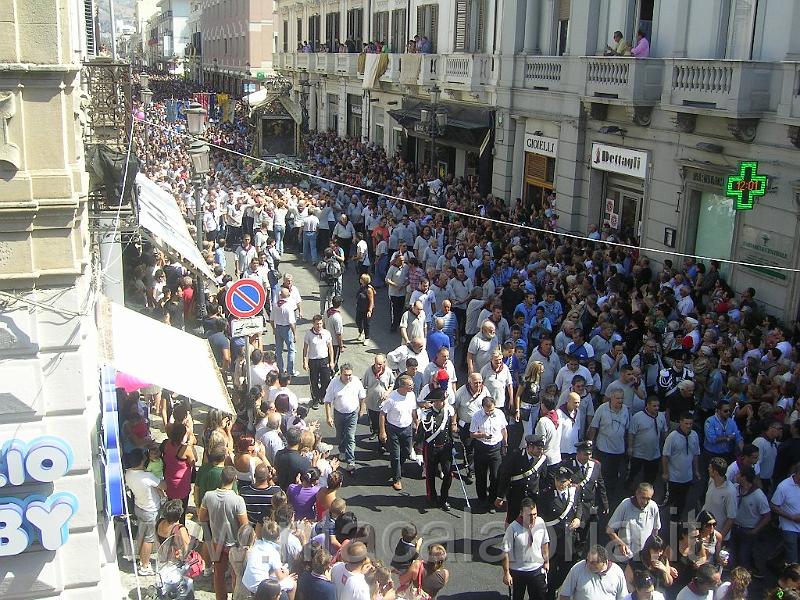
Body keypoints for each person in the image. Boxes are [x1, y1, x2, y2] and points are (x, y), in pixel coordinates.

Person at [198, 466, 249, 600]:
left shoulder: (208, 496)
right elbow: (245, 525)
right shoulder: (238, 500)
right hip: (235, 544)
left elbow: (201, 517)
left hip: (217, 542)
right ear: (235, 479)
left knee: (218, 575)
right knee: (236, 575)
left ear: (221, 478)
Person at [540, 465, 584, 596]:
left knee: (568, 566)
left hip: (569, 538)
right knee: (551, 569)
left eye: (563, 481)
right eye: (558, 480)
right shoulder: (546, 495)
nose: (560, 483)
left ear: (570, 481)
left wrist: (578, 518)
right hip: (553, 538)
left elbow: (579, 504)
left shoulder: (574, 492)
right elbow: (541, 518)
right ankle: (550, 592)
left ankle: (557, 586)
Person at [125, 447, 167, 576]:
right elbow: (163, 486)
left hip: (139, 506)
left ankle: (140, 557)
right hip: (150, 509)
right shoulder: (147, 476)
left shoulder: (128, 473)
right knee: (149, 539)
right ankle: (144, 566)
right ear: (141, 461)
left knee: (141, 534)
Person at [500, 497, 550, 600]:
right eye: (529, 515)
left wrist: (546, 562)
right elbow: (505, 552)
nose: (533, 518)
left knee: (539, 597)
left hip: (536, 570)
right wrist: (506, 574)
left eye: (535, 514)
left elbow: (544, 543)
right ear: (522, 513)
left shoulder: (540, 522)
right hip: (518, 572)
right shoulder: (513, 528)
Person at [416, 388, 457, 510]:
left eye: (443, 400)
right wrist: (418, 451)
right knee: (430, 474)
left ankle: (444, 498)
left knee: (448, 473)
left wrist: (452, 445)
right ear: (435, 402)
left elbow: (449, 431)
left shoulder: (448, 412)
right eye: (441, 401)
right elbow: (420, 434)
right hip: (431, 448)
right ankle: (432, 497)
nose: (443, 403)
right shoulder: (426, 415)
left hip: (445, 448)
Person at [495, 434, 549, 524]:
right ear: (530, 447)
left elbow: (543, 479)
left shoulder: (542, 460)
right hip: (516, 496)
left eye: (542, 448)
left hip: (532, 497)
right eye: (538, 449)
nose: (541, 451)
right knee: (512, 521)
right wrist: (500, 496)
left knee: (531, 522)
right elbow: (505, 476)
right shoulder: (516, 456)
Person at [325, 363, 366, 474]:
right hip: (339, 414)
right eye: (345, 375)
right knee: (340, 435)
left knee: (350, 436)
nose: (348, 377)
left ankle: (350, 462)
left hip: (352, 414)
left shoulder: (356, 381)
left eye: (350, 375)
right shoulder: (334, 383)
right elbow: (328, 401)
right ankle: (342, 450)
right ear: (341, 374)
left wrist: (362, 409)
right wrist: (328, 416)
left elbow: (362, 397)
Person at [730, 466, 770, 577]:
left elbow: (767, 516)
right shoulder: (735, 488)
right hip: (734, 527)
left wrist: (755, 531)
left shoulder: (758, 495)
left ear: (744, 477)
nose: (736, 476)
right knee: (732, 554)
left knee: (744, 556)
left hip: (748, 530)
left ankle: (744, 580)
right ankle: (733, 577)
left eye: (738, 474)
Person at [380, 374, 418, 491]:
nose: (412, 387)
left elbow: (413, 409)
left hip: (407, 428)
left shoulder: (411, 395)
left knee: (407, 451)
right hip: (393, 429)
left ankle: (397, 467)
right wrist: (382, 432)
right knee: (395, 455)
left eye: (412, 384)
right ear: (402, 386)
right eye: (410, 385)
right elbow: (382, 414)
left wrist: (416, 422)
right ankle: (396, 478)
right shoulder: (392, 398)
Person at [607, 482, 661, 564]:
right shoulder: (625, 505)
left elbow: (655, 530)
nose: (646, 502)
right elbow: (609, 529)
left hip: (643, 559)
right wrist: (620, 544)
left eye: (648, 499)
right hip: (624, 558)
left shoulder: (653, 506)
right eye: (643, 498)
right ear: (637, 494)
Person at [470, 396, 508, 512]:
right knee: (481, 476)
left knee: (495, 476)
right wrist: (482, 435)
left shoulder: (500, 414)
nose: (490, 412)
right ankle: (482, 499)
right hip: (481, 448)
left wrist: (505, 444)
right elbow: (472, 434)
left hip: (495, 448)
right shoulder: (477, 416)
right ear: (483, 407)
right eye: (488, 410)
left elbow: (503, 430)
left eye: (492, 410)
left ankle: (492, 501)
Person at [662, 412, 701, 521]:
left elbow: (696, 454)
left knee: (682, 500)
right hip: (673, 477)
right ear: (680, 422)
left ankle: (675, 518)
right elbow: (665, 456)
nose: (688, 426)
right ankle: (662, 517)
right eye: (686, 423)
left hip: (687, 477)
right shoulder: (672, 437)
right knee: (669, 499)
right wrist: (665, 473)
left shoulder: (694, 435)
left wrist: (696, 471)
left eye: (690, 423)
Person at [454, 372, 491, 484]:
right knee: (468, 448)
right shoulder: (461, 392)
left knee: (480, 447)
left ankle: (479, 467)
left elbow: (489, 404)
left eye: (480, 382)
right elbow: (455, 408)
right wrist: (453, 424)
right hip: (466, 425)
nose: (478, 385)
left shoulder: (484, 390)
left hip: (481, 424)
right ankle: (471, 471)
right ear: (469, 382)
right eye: (475, 383)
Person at [588, 389, 630, 487]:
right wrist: (590, 442)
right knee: (602, 474)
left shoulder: (626, 410)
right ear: (611, 398)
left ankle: (611, 494)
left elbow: (627, 430)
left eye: (622, 398)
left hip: (618, 450)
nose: (620, 400)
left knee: (614, 474)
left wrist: (629, 446)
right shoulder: (602, 408)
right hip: (603, 449)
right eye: (617, 398)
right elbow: (594, 426)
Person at [558, 545, 627, 600]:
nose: (588, 564)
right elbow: (564, 594)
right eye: (587, 560)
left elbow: (623, 597)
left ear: (604, 562)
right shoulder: (578, 568)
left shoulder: (616, 571)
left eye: (593, 562)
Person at [628, 396, 667, 487]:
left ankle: (647, 491)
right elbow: (631, 433)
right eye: (654, 406)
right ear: (647, 405)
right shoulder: (638, 417)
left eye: (658, 406)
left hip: (654, 453)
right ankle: (629, 488)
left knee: (651, 476)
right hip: (638, 453)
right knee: (634, 473)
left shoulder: (661, 416)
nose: (657, 408)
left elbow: (664, 432)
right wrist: (630, 447)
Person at [702, 457, 737, 543]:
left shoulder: (730, 492)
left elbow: (731, 518)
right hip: (704, 529)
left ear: (715, 472)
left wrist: (720, 538)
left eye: (710, 468)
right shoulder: (711, 480)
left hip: (717, 535)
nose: (708, 469)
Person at [303, 314, 335, 409]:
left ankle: (322, 395)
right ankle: (315, 399)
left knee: (326, 380)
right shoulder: (308, 334)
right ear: (313, 324)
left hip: (324, 360)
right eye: (317, 324)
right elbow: (305, 349)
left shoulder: (326, 333)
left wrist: (332, 361)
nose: (319, 326)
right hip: (313, 360)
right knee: (314, 381)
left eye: (320, 323)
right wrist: (304, 361)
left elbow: (330, 348)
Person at [770, 462, 800, 564]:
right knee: (792, 557)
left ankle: (773, 562)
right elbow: (774, 506)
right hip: (789, 527)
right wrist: (791, 517)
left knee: (786, 549)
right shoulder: (784, 486)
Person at [272, 287, 298, 376]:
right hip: (287, 329)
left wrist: (274, 329)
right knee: (291, 349)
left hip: (278, 328)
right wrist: (295, 334)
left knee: (278, 351)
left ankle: (281, 370)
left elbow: (271, 320)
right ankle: (290, 370)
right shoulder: (288, 306)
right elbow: (291, 322)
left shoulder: (275, 305)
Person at [355, 273, 375, 345]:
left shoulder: (369, 289)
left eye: (361, 279)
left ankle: (367, 338)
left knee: (366, 324)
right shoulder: (361, 287)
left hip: (366, 309)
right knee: (358, 321)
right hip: (359, 308)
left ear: (365, 280)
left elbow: (371, 301)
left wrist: (370, 310)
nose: (360, 279)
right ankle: (361, 332)